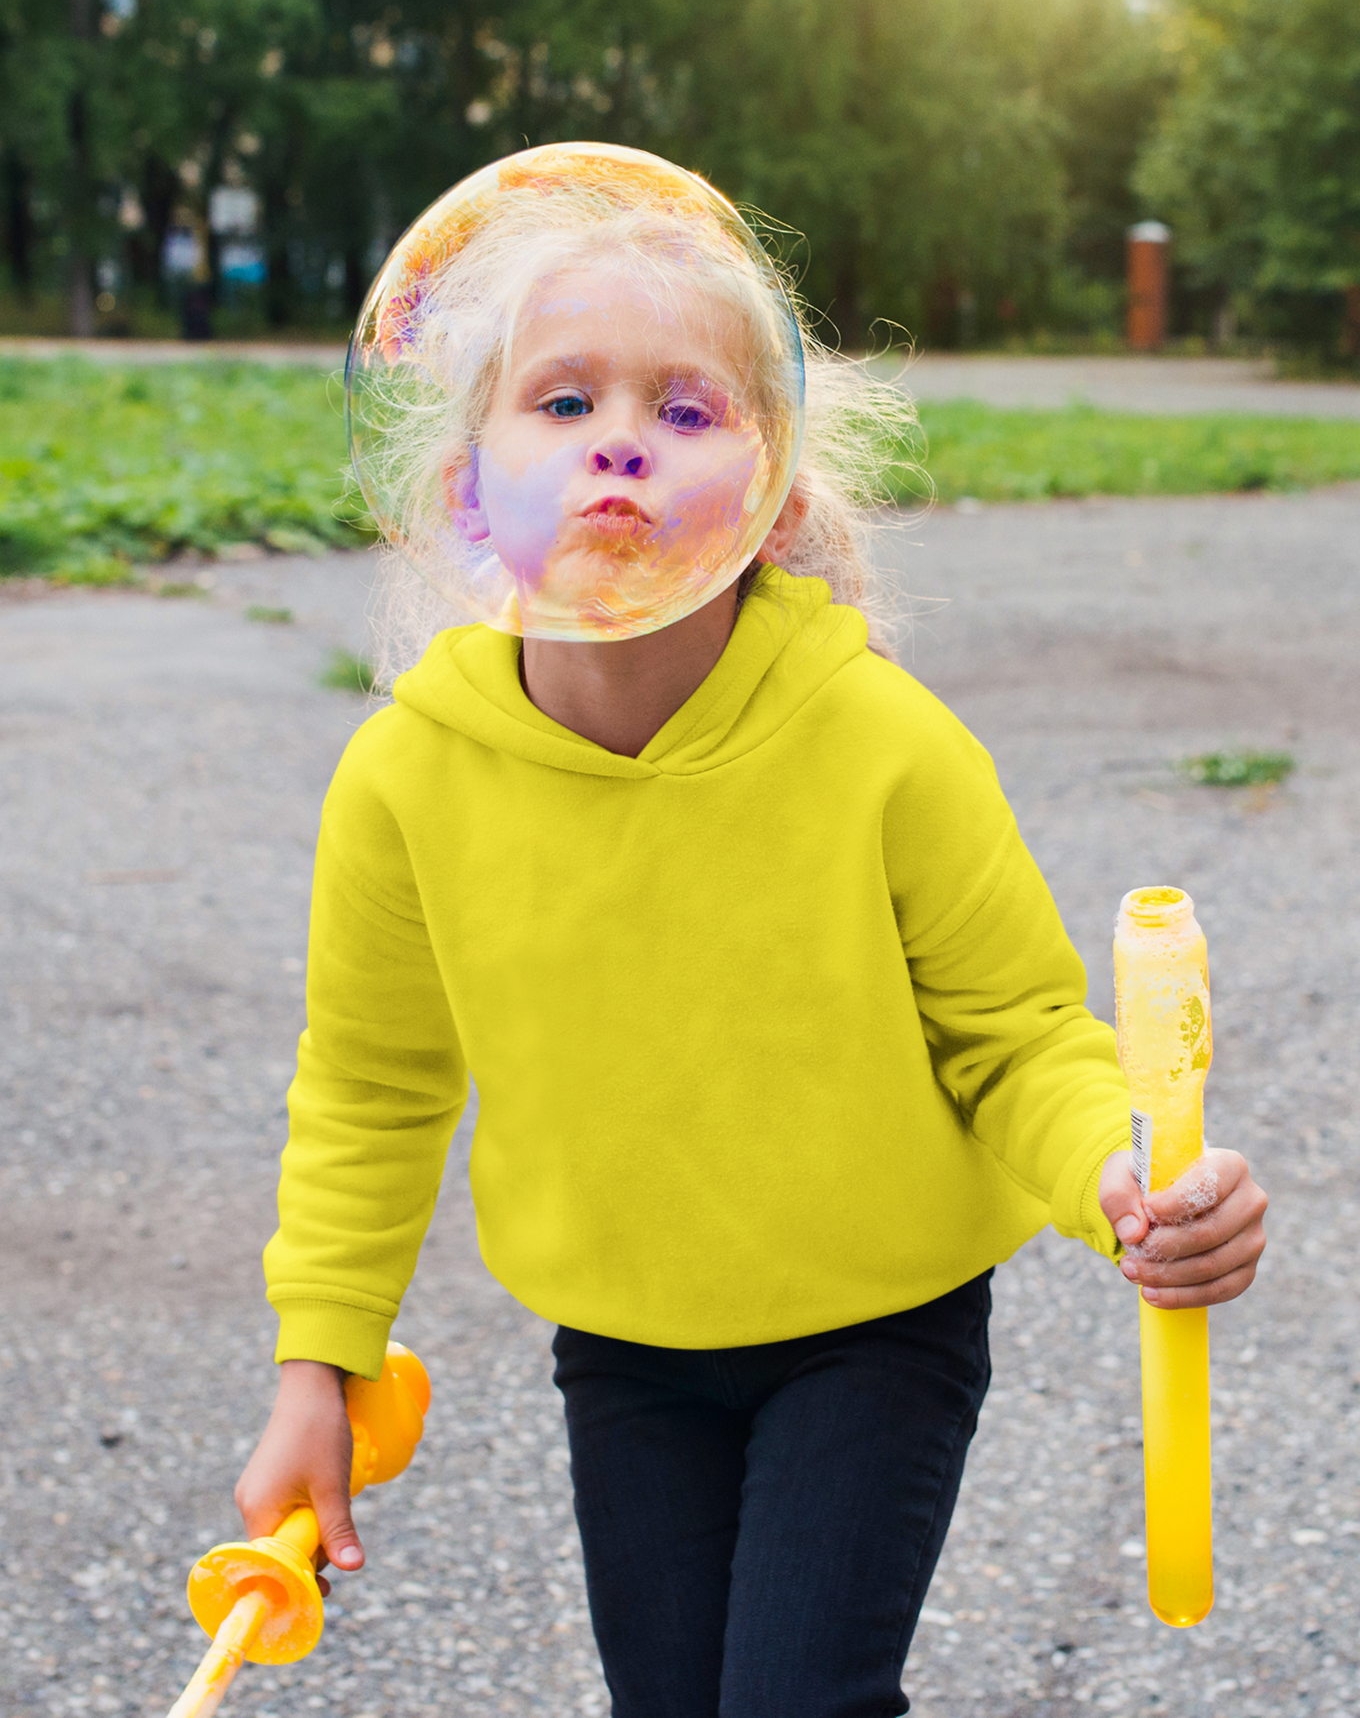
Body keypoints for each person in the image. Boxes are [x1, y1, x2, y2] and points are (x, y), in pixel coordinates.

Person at [236, 144, 1267, 1717]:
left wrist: (1120, 1173)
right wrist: (320, 1362)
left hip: (876, 1325)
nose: (621, 449)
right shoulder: (404, 778)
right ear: (468, 480)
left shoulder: (881, 739)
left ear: (771, 484)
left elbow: (1013, 1035)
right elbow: (373, 1087)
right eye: (563, 402)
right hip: (628, 1344)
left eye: (686, 408)